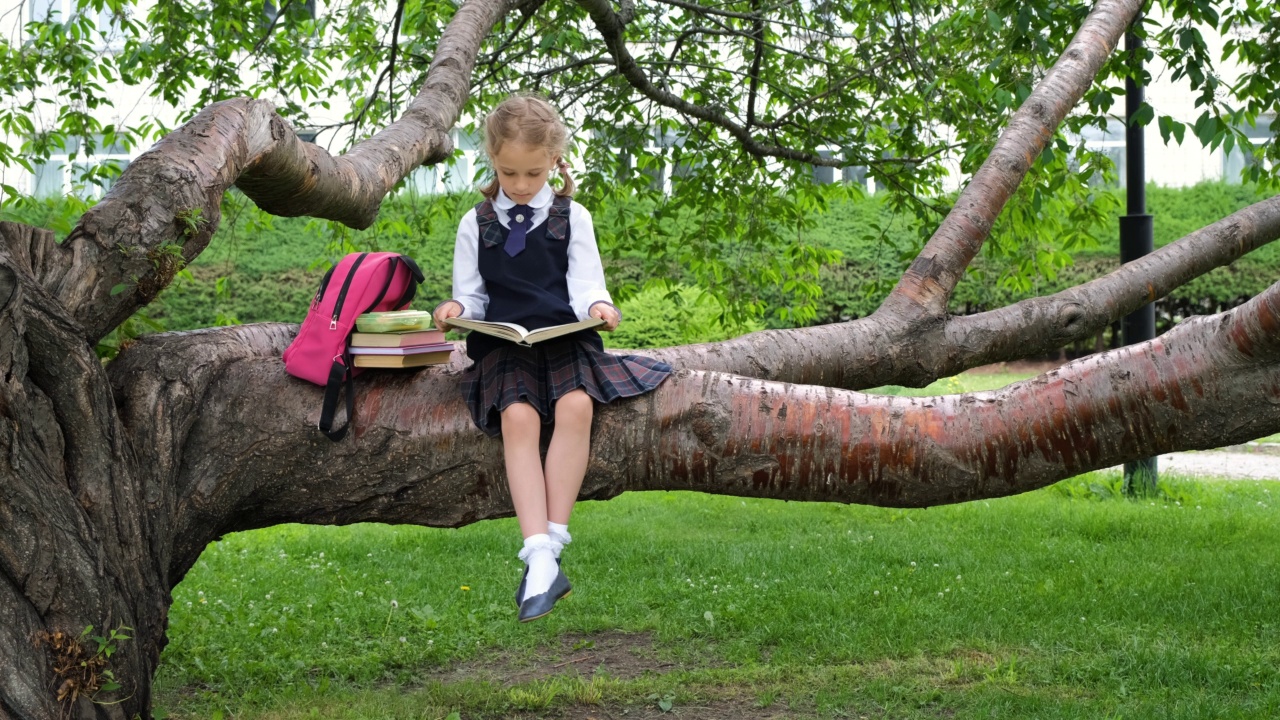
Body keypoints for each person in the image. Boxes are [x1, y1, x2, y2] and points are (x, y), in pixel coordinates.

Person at [433, 94, 672, 623]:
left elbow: (586, 284)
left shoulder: (572, 216)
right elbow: (471, 296)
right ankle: (536, 549)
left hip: (565, 336)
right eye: (509, 172)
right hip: (503, 342)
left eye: (534, 173)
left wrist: (600, 307)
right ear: (491, 160)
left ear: (556, 162)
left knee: (576, 408)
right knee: (519, 417)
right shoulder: (476, 222)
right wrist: (455, 308)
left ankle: (550, 548)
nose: (520, 184)